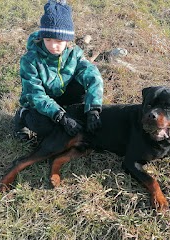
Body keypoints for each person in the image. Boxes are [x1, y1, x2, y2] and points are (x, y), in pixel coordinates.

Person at [14, 0, 103, 141]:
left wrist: (93, 109)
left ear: (67, 40)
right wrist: (61, 116)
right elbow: (35, 95)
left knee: (83, 93)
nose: (53, 46)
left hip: (62, 93)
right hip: (38, 102)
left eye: (59, 41)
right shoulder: (30, 60)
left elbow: (94, 77)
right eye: (48, 39)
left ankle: (66, 111)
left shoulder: (75, 54)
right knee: (45, 127)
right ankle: (23, 115)